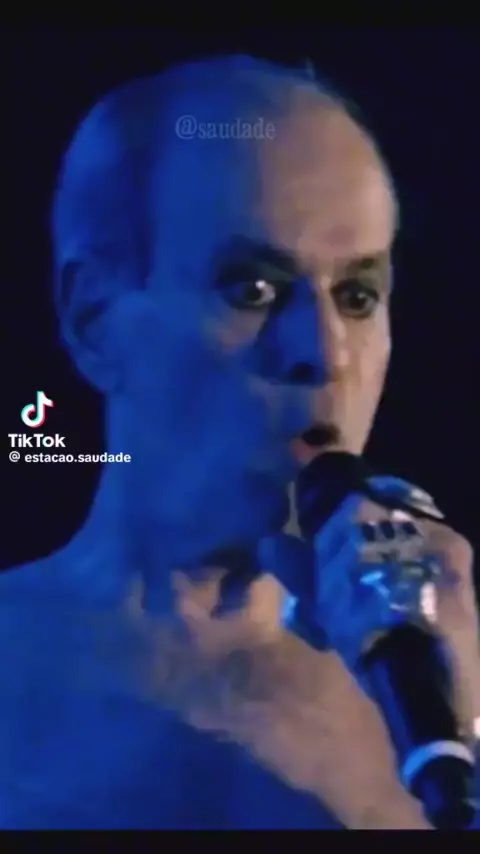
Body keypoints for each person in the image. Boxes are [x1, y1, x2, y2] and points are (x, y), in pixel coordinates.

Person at [1, 54, 479, 829]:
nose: (325, 354)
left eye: (358, 295)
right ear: (95, 319)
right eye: (253, 289)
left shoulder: (448, 687)